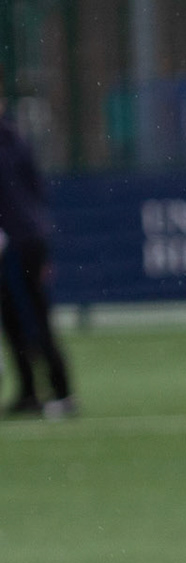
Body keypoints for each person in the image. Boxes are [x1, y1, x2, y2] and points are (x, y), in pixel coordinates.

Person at [0, 76, 74, 419]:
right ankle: (29, 391)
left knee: (35, 318)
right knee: (14, 320)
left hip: (21, 242)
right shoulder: (16, 137)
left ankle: (61, 391)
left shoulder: (11, 138)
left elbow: (28, 195)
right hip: (20, 240)